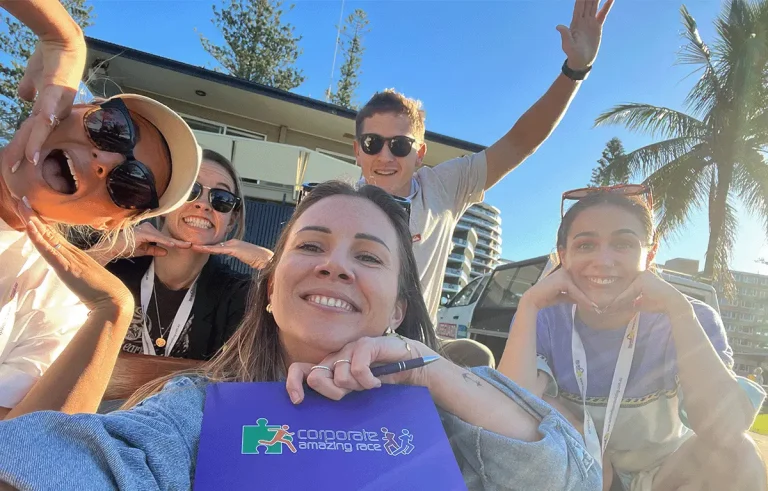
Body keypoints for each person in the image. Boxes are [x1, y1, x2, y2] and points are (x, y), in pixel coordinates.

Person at [0, 182, 601, 490]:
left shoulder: (442, 416)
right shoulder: (199, 407)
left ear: (397, 307)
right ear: (268, 288)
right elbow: (94, 463)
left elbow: (567, 477)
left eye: (367, 257)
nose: (334, 265)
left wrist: (425, 366)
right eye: (311, 246)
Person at [353, 0, 614, 325]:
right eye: (372, 143)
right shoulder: (336, 204)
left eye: (400, 145)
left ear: (419, 154)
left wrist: (575, 71)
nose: (385, 156)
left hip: (414, 360)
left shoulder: (443, 187)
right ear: (357, 151)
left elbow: (520, 142)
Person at [0, 1, 201, 418]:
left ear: (107, 223)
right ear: (72, 108)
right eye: (111, 127)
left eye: (130, 184)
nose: (105, 161)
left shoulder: (51, 302)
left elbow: (26, 460)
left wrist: (114, 312)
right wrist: (63, 37)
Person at [498, 185, 767, 491]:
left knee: (737, 456)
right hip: (577, 468)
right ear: (564, 255)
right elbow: (507, 416)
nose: (603, 259)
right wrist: (529, 304)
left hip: (664, 474)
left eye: (624, 244)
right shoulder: (546, 317)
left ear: (650, 253)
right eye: (585, 245)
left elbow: (725, 430)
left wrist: (678, 310)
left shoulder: (692, 317)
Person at [91, 149, 271, 360]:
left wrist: (273, 265)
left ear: (230, 220)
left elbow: (281, 347)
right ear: (167, 203)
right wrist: (104, 252)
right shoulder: (112, 266)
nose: (203, 204)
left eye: (221, 199)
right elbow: (48, 301)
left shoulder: (237, 294)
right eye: (190, 191)